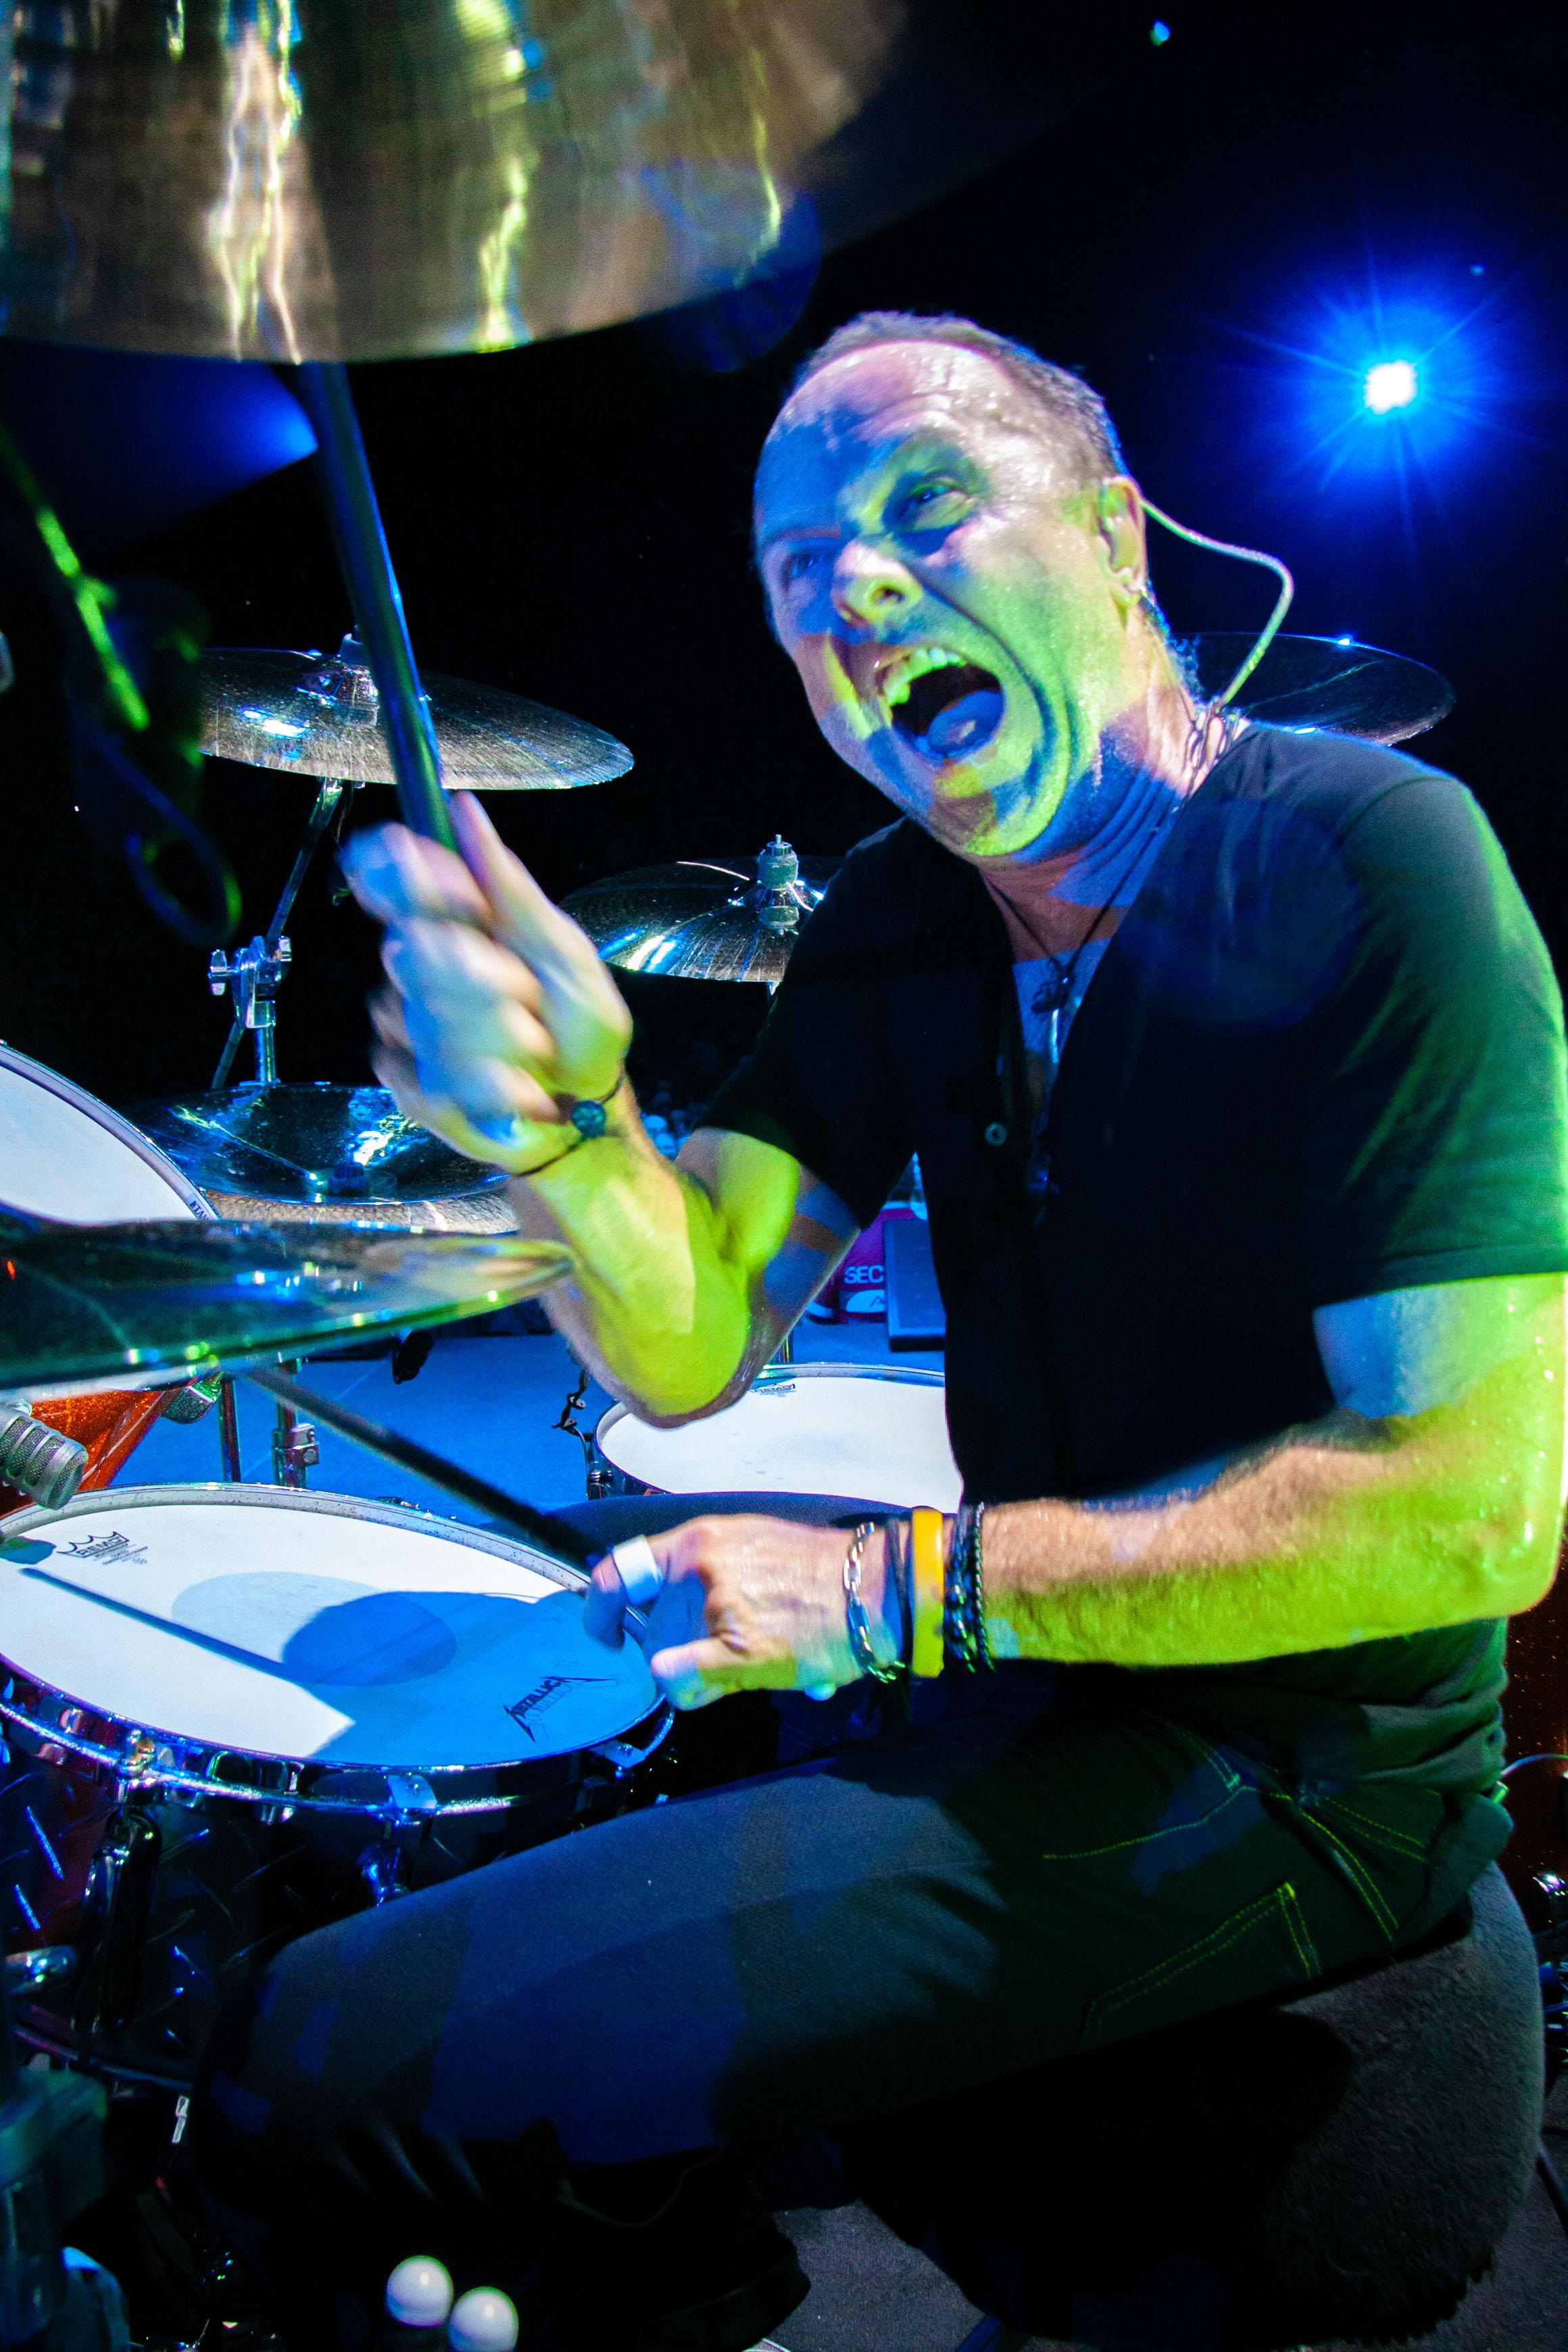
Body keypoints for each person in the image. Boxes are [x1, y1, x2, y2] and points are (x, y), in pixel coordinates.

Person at [188, 315, 1568, 2351]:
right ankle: (680, 2264)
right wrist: (564, 1129)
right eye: (794, 578)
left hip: (1307, 1774)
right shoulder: (898, 917)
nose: (852, 591)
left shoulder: (1372, 856)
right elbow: (685, 1347)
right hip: (1046, 1678)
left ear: (1116, 540)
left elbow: (1469, 1512)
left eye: (927, 507)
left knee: (323, 2052)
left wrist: (884, 1594)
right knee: (441, 1791)